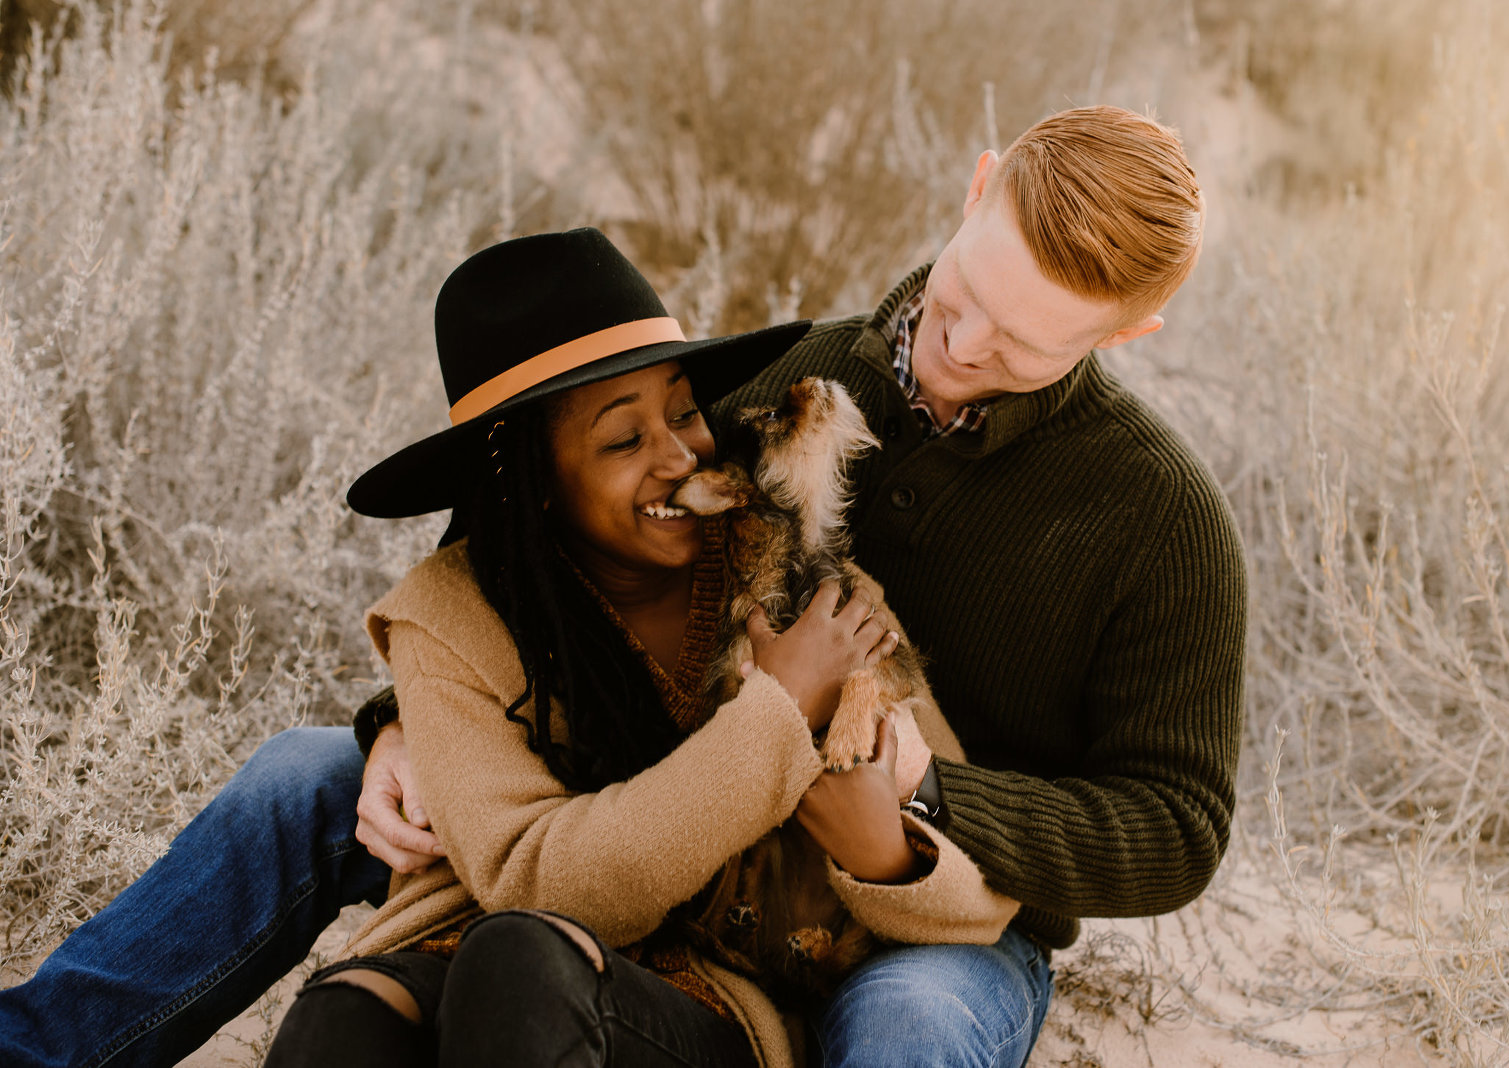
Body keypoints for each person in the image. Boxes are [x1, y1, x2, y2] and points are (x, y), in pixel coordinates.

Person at [0, 104, 1245, 1068]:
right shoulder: (790, 382)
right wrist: (407, 725)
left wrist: (922, 790)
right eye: (966, 293)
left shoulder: (1156, 519)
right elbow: (559, 545)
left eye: (1024, 341)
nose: (967, 345)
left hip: (936, 887)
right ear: (975, 191)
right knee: (303, 775)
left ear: (1123, 336)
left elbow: (1178, 829)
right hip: (677, 800)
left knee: (911, 1027)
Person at [255, 228, 1015, 1066]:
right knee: (344, 1021)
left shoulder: (806, 590)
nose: (678, 453)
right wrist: (779, 715)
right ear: (532, 482)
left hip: (694, 997)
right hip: (469, 945)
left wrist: (885, 851)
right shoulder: (449, 613)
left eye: (685, 411)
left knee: (518, 969)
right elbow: (536, 883)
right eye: (622, 440)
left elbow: (983, 895)